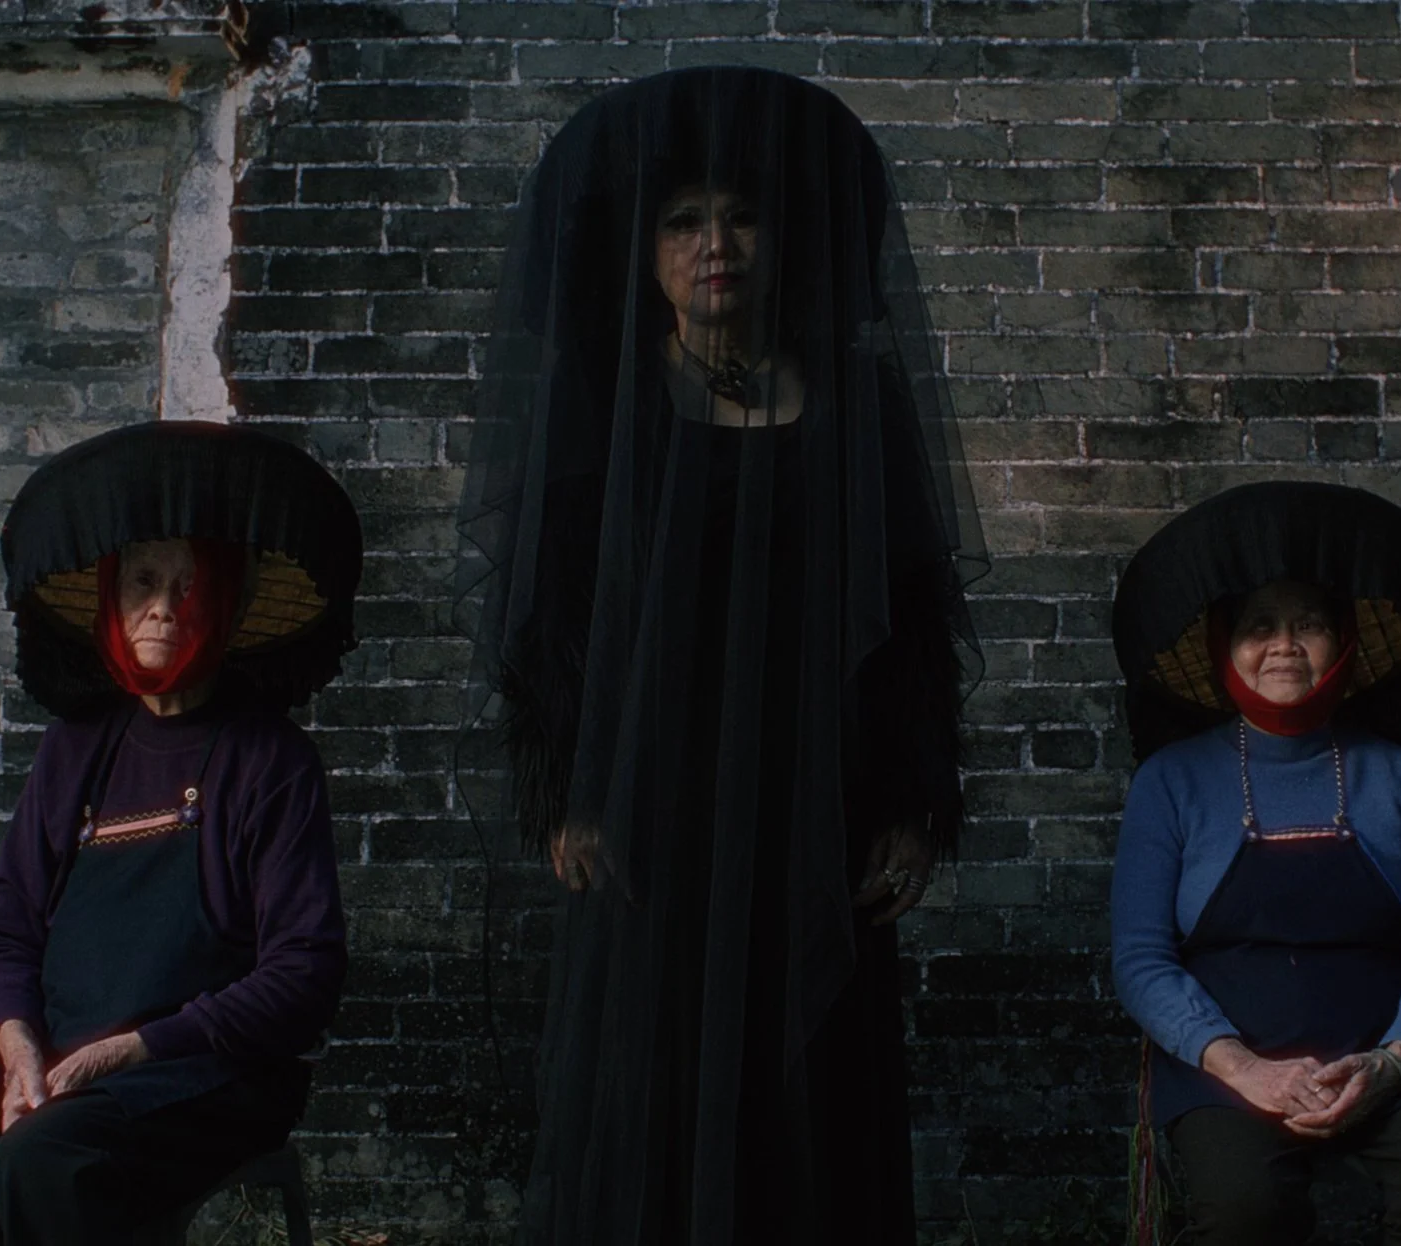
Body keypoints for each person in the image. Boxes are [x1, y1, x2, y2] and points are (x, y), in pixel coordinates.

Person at [454, 67, 984, 1245]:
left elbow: (905, 624)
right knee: (654, 1074)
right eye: (684, 219)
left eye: (741, 215)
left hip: (817, 800)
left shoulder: (853, 403)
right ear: (645, 248)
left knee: (811, 1073)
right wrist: (569, 793)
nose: (716, 244)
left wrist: (909, 801)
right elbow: (548, 619)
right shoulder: (610, 409)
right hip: (652, 804)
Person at [0, 421, 360, 1246]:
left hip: (199, 1072)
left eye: (192, 585)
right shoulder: (75, 751)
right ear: (112, 602)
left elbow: (304, 972)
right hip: (53, 1055)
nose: (165, 605)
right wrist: (16, 1043)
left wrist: (139, 1047)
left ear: (227, 604)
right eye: (143, 581)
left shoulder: (271, 760)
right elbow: (4, 933)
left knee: (40, 1163)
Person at [1108, 482, 1401, 1246]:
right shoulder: (1173, 780)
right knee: (1246, 1210)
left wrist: (1392, 1063)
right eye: (1258, 626)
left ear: (1344, 642)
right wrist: (1241, 1067)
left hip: (1392, 1055)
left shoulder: (1400, 776)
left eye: (1309, 623)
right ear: (1225, 645)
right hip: (1229, 1064)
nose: (1283, 644)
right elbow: (1142, 959)